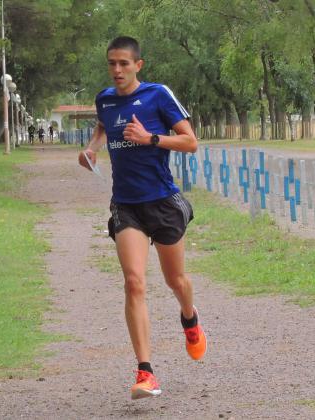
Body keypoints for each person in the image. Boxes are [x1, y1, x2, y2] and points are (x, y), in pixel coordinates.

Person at [77, 36, 205, 400]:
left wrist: (150, 139)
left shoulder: (157, 95)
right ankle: (145, 372)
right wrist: (91, 150)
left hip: (162, 202)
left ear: (138, 65)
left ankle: (190, 319)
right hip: (126, 205)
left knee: (175, 280)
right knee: (134, 283)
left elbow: (190, 142)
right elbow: (103, 127)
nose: (117, 70)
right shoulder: (104, 99)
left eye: (123, 64)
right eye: (111, 64)